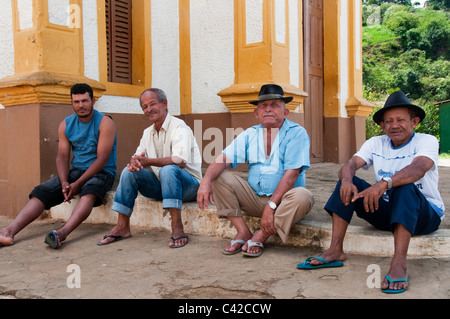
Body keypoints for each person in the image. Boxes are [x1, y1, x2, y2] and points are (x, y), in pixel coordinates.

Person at [297, 91, 445, 294]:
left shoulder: (426, 140)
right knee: (349, 183)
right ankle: (335, 250)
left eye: (401, 120)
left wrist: (384, 183)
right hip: (388, 213)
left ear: (415, 122)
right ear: (383, 126)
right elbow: (351, 164)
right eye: (388, 121)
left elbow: (419, 168)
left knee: (403, 186)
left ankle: (399, 263)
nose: (394, 125)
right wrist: (347, 180)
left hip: (424, 215)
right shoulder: (376, 143)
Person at [197, 84, 314, 257]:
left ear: (285, 112)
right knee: (217, 175)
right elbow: (223, 158)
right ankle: (243, 232)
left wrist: (271, 206)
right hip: (253, 198)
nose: (268, 109)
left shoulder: (297, 133)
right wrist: (205, 181)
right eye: (263, 106)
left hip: (282, 204)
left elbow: (292, 175)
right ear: (256, 113)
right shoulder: (249, 134)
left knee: (304, 197)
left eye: (274, 105)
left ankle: (262, 235)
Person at [0, 83, 117, 249]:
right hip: (77, 171)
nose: (81, 105)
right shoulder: (66, 124)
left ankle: (61, 233)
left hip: (102, 172)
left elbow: (102, 159)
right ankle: (8, 231)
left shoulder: (105, 122)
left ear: (93, 100)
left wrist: (77, 184)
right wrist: (64, 182)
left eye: (84, 101)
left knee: (89, 193)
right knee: (41, 192)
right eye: (76, 101)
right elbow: (62, 156)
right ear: (71, 102)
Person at [97, 88, 202, 248]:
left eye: (152, 104)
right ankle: (122, 226)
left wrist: (148, 161)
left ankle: (177, 227)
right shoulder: (148, 133)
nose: (149, 109)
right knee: (128, 173)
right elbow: (139, 157)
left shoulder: (180, 127)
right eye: (144, 107)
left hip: (189, 187)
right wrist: (135, 163)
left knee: (168, 169)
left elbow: (179, 161)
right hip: (163, 186)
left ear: (164, 104)